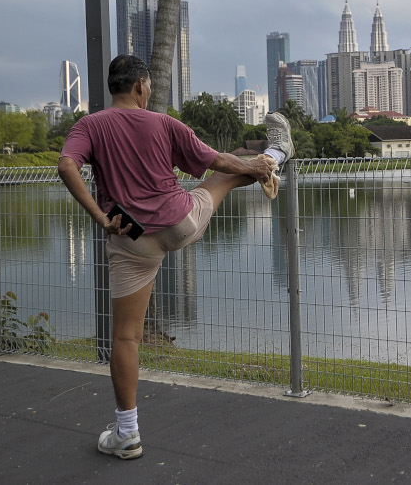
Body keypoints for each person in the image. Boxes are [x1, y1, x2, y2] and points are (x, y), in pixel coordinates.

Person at [57, 55, 294, 459]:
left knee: (126, 337)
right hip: (180, 222)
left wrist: (100, 216)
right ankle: (277, 155)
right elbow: (217, 162)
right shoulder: (164, 123)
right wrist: (253, 166)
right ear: (141, 87)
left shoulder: (89, 125)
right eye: (147, 88)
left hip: (131, 238)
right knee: (225, 173)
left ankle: (127, 434)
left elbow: (66, 165)